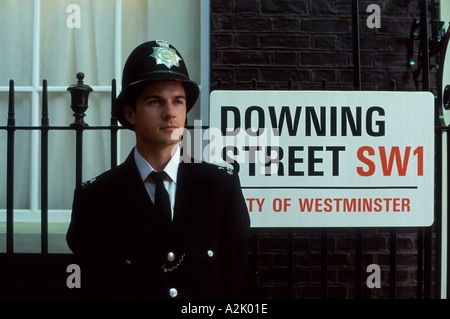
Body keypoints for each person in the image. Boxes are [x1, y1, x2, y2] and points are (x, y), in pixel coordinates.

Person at [66, 40, 250, 299]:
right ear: (130, 114)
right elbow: (94, 285)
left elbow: (233, 277)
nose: (170, 113)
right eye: (155, 102)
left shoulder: (220, 185)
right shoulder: (96, 198)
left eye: (178, 101)